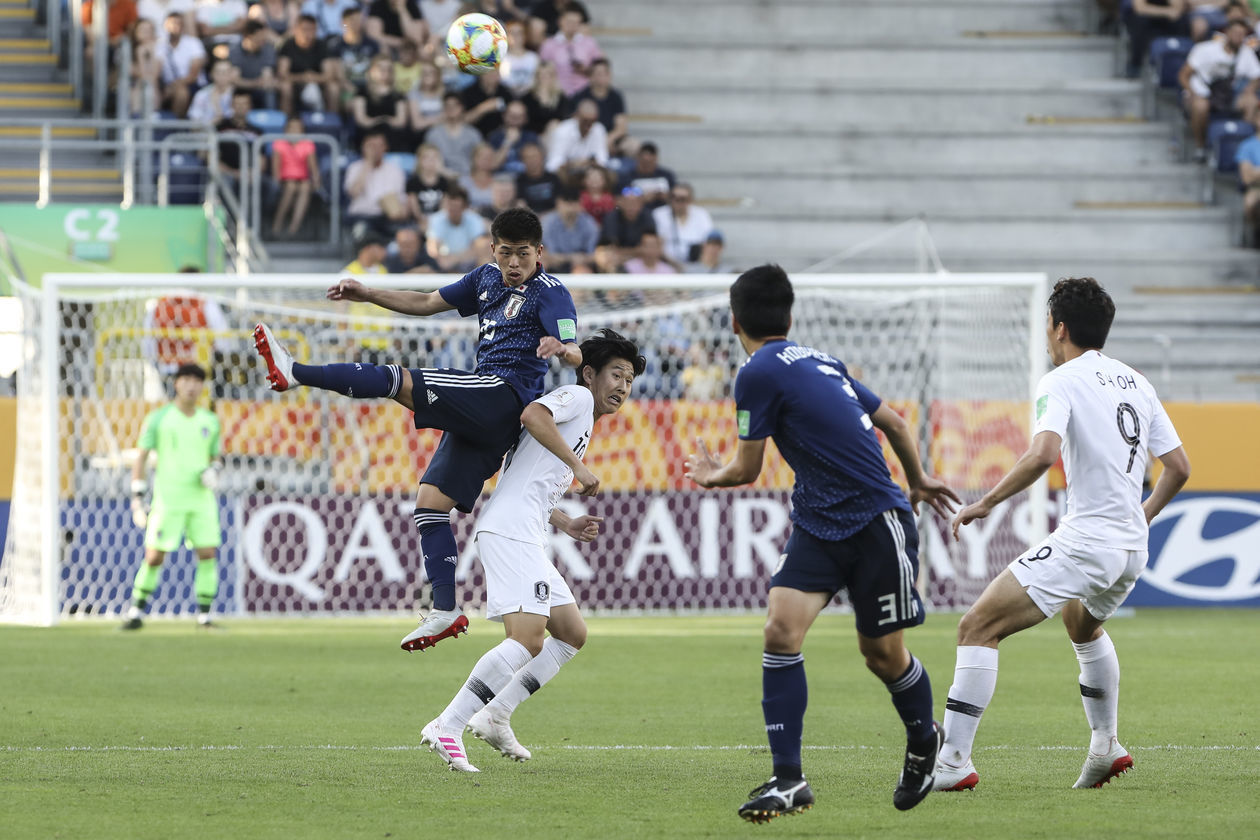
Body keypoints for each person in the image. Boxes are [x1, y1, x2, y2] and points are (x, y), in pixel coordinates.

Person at [684, 264, 960, 821]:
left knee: (882, 655)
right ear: (790, 316)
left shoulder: (757, 372)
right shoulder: (820, 359)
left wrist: (712, 474)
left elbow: (746, 468)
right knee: (781, 631)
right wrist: (920, 476)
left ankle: (924, 738)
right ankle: (789, 780)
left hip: (874, 521)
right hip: (817, 522)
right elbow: (899, 425)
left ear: (734, 321)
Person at [252, 208, 582, 649]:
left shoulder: (551, 293)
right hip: (484, 413)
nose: (515, 263)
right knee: (429, 506)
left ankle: (295, 371)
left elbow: (577, 350)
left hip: (503, 396)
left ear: (539, 252)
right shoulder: (484, 278)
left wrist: (562, 348)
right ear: (493, 250)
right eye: (507, 253)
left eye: (524, 254)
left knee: (397, 379)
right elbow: (427, 302)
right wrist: (368, 293)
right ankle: (445, 609)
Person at [933, 277, 1191, 793]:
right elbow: (1179, 468)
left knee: (976, 626)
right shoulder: (1136, 382)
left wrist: (984, 503)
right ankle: (1105, 746)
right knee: (1082, 624)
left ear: (1060, 328)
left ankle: (953, 761)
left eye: (1047, 326)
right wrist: (1141, 517)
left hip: (1088, 540)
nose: (1046, 337)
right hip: (1130, 551)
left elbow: (1043, 454)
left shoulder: (1061, 380)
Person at [419, 329, 645, 772]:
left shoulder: (584, 423)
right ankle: (448, 724)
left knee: (571, 634)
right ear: (589, 374)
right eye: (616, 374)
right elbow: (531, 414)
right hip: (511, 531)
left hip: (525, 527)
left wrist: (567, 521)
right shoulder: (577, 400)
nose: (623, 386)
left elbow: (528, 484)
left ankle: (496, 715)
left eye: (630, 380)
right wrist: (580, 466)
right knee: (527, 639)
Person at [122, 363, 224, 630]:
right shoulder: (159, 418)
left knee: (207, 553)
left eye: (197, 380)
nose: (192, 385)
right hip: (168, 499)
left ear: (202, 386)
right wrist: (137, 496)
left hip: (201, 500)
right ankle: (136, 612)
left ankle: (205, 616)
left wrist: (214, 470)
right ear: (176, 383)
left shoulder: (210, 421)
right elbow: (141, 456)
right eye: (186, 379)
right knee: (154, 556)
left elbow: (215, 457)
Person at [1179, 18, 1260, 161]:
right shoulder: (1205, 49)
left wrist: (1250, 89)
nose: (1238, 37)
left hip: (1227, 96)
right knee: (1200, 105)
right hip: (1202, 93)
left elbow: (1257, 76)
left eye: (1242, 34)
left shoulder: (1246, 52)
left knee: (1252, 101)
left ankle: (1244, 144)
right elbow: (1183, 75)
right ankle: (1200, 147)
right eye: (1235, 33)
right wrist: (1192, 93)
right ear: (1227, 32)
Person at [538, 2, 603, 97]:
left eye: (576, 22)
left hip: (584, 93)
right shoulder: (549, 45)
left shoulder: (589, 43)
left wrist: (586, 69)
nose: (572, 26)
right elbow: (541, 69)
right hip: (557, 94)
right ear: (560, 21)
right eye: (569, 22)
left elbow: (600, 67)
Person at [277, 13, 339, 113]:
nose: (308, 34)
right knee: (285, 87)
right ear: (296, 29)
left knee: (333, 88)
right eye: (305, 29)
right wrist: (302, 77)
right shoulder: (288, 45)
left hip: (318, 82)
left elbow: (329, 74)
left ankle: (331, 122)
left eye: (312, 30)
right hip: (296, 84)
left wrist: (313, 78)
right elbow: (282, 73)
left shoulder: (321, 45)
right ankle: (287, 122)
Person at [270, 115, 320, 237]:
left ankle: (294, 227)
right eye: (292, 128)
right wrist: (276, 181)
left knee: (306, 187)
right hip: (285, 179)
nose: (295, 131)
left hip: (302, 178)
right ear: (286, 130)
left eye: (298, 128)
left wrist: (317, 181)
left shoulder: (307, 144)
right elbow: (276, 165)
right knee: (291, 186)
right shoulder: (279, 143)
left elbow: (313, 166)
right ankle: (277, 223)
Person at [565, 57, 627, 154]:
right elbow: (573, 125)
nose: (602, 77)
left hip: (610, 139)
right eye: (598, 74)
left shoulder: (616, 97)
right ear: (591, 76)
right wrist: (595, 141)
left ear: (609, 75)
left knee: (632, 146)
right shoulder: (579, 96)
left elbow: (621, 128)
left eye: (605, 74)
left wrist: (607, 139)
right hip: (585, 138)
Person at [155, 12, 206, 117]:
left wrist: (173, 86)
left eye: (179, 24)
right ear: (165, 25)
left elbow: (193, 75)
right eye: (173, 23)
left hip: (192, 84)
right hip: (167, 85)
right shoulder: (160, 45)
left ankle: (176, 125)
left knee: (181, 93)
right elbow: (156, 71)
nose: (176, 26)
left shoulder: (193, 43)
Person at [651, 181, 714, 265]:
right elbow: (655, 244)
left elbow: (708, 242)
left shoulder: (701, 214)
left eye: (683, 199)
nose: (678, 202)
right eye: (674, 198)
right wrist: (674, 264)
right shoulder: (658, 214)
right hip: (665, 263)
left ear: (690, 200)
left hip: (696, 263)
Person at [545, 98, 609, 176]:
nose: (588, 126)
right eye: (585, 121)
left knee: (609, 175)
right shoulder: (563, 131)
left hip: (590, 172)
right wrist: (571, 164)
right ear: (577, 116)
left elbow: (603, 160)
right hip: (569, 173)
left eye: (592, 121)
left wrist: (589, 163)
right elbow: (553, 164)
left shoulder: (599, 129)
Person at [541, 187, 599, 272]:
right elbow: (549, 254)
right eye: (567, 202)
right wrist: (570, 258)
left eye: (574, 202)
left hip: (581, 264)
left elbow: (593, 254)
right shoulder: (547, 223)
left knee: (582, 272)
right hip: (553, 265)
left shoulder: (589, 223)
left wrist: (583, 259)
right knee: (541, 264)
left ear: (580, 204)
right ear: (558, 203)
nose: (570, 207)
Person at [515, 141, 562, 213]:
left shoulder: (554, 178)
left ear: (542, 157)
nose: (531, 160)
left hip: (552, 217)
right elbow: (520, 205)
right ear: (522, 160)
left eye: (534, 156)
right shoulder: (519, 181)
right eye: (527, 157)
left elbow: (560, 203)